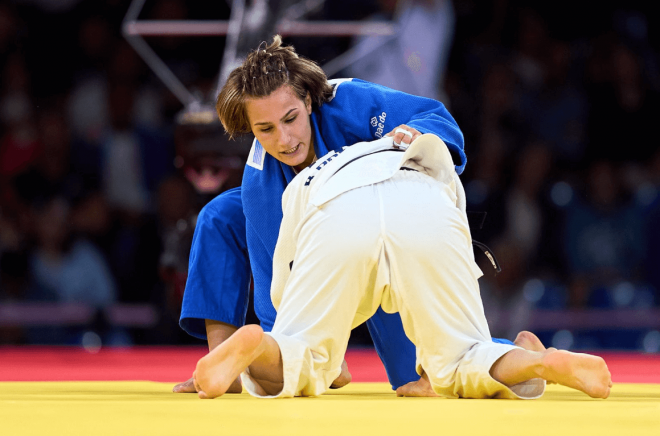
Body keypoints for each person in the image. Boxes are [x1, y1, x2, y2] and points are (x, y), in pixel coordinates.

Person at [176, 35, 514, 394]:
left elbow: (434, 115)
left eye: (290, 119)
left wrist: (419, 133)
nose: (285, 139)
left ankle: (512, 354)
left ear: (307, 101)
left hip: (387, 232)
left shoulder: (350, 102)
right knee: (219, 215)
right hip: (323, 239)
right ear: (249, 127)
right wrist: (285, 350)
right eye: (265, 130)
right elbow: (276, 280)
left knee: (413, 375)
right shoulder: (261, 184)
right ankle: (223, 361)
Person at [192, 134, 612, 399]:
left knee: (300, 353)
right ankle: (538, 362)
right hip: (424, 198)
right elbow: (454, 216)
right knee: (463, 356)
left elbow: (284, 277)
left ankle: (256, 345)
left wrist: (287, 338)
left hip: (335, 210)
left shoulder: (302, 178)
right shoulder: (391, 135)